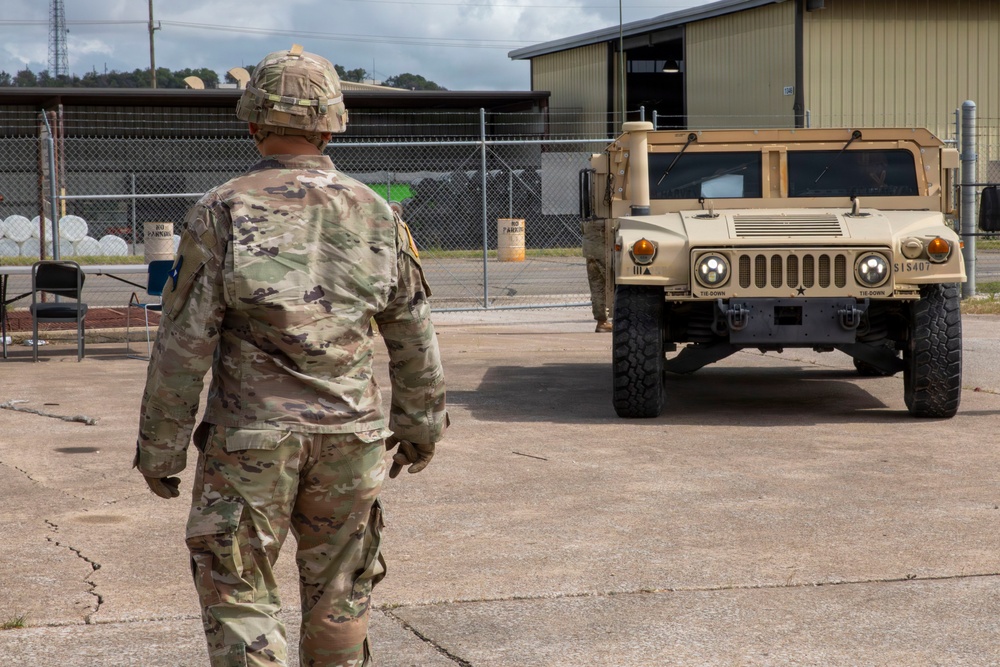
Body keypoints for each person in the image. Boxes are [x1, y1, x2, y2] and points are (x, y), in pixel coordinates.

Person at [133, 45, 447, 667]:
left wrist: (161, 449)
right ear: (332, 125)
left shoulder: (221, 211)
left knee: (239, 594)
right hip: (351, 439)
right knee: (341, 596)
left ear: (252, 124)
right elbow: (413, 333)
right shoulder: (378, 214)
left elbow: (183, 344)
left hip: (252, 444)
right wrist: (420, 425)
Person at [581, 217, 612, 332]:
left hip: (590, 237)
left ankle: (602, 321)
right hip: (603, 234)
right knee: (613, 281)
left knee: (597, 284)